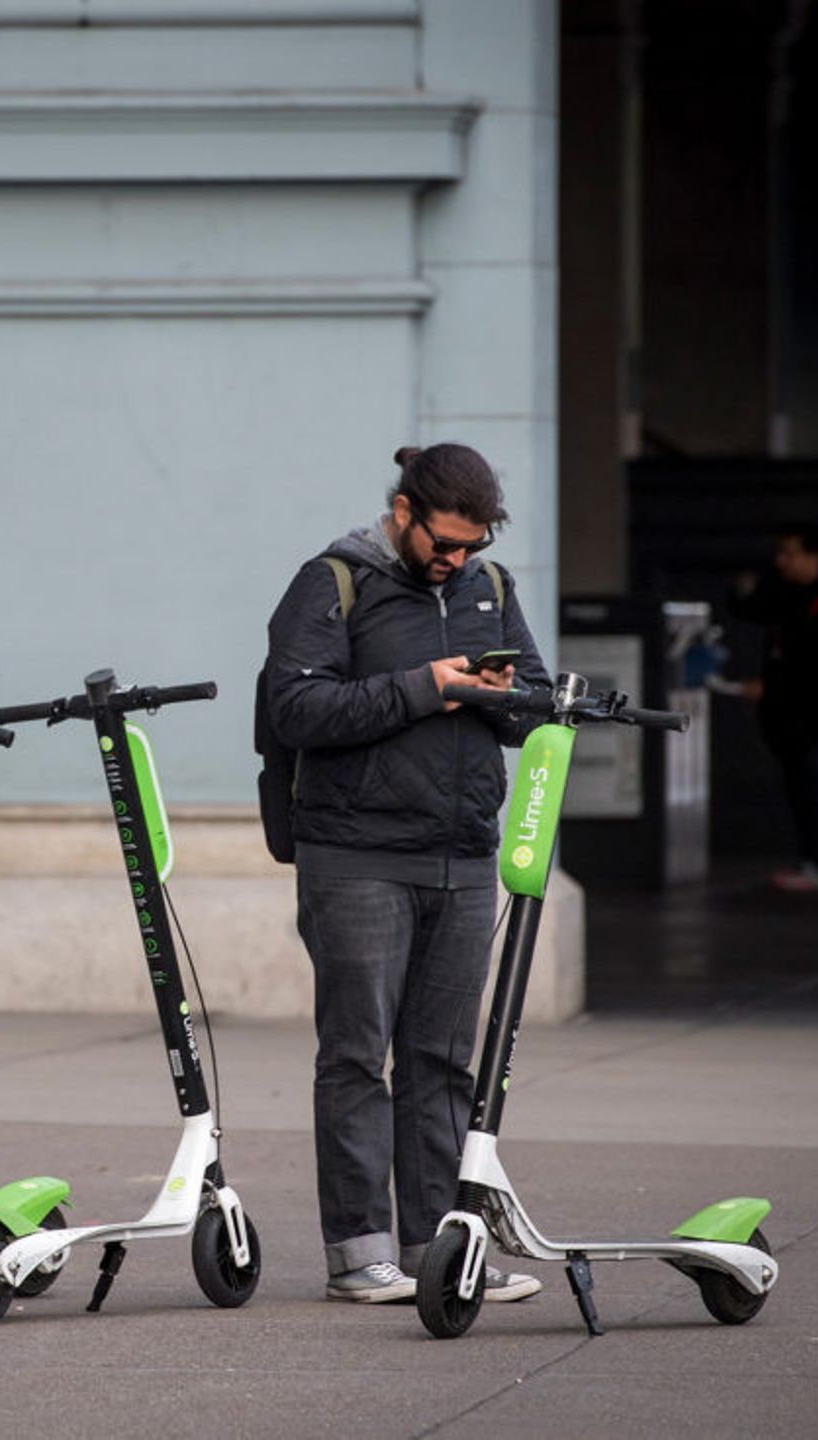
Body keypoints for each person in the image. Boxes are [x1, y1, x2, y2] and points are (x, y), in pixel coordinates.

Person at [263, 443, 551, 1304]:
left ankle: (436, 1253)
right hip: (356, 858)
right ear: (403, 512)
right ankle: (359, 1253)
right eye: (445, 544)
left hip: (462, 856)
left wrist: (500, 691)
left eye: (472, 547)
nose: (456, 561)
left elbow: (532, 698)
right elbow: (297, 707)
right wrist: (425, 687)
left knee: (442, 1060)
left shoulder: (487, 591)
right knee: (356, 1056)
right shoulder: (334, 581)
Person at [728, 525, 818, 890]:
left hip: (817, 711)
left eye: (791, 554)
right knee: (816, 780)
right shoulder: (787, 594)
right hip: (797, 713)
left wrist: (772, 686)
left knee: (813, 782)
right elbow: (751, 611)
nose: (782, 562)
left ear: (814, 556)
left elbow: (815, 664)